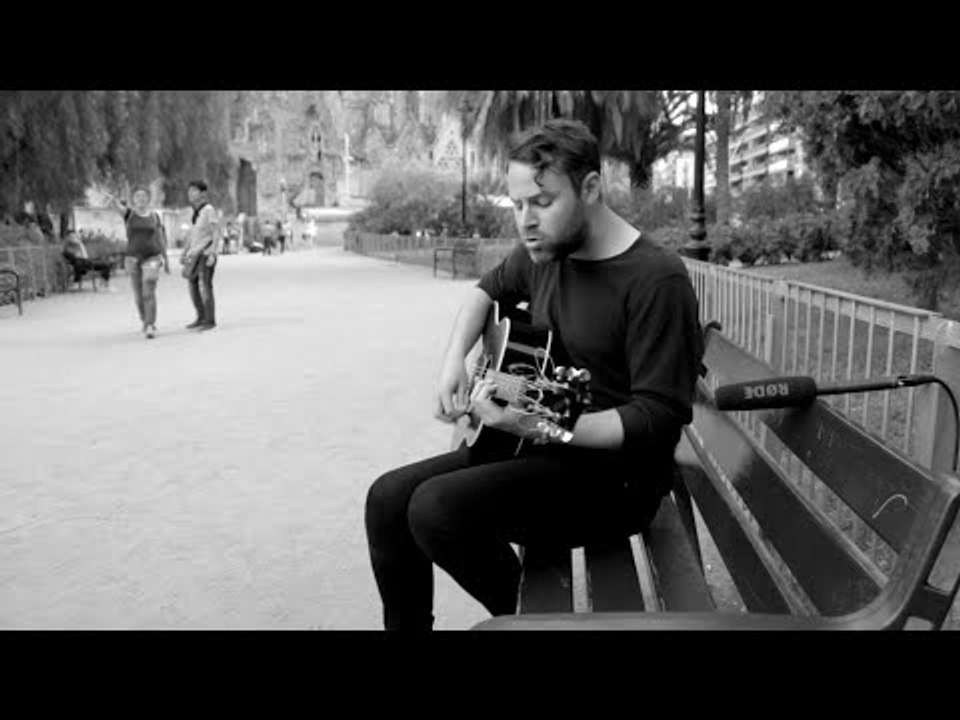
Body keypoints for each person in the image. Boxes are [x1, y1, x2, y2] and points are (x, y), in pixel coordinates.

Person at [364, 119, 705, 631]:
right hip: (543, 448)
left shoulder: (656, 279)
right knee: (387, 499)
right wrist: (454, 359)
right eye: (517, 204)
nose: (525, 221)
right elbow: (484, 292)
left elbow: (659, 416)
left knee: (436, 510)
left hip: (619, 481)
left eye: (541, 203)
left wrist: (545, 425)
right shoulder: (546, 252)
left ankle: (535, 623)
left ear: (591, 188)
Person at [112, 186, 170, 339]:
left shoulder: (155, 217)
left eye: (144, 196)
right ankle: (145, 320)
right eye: (137, 196)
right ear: (133, 199)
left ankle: (150, 324)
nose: (141, 198)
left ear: (149, 199)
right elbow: (116, 206)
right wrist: (114, 200)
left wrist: (166, 259)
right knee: (138, 295)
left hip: (152, 257)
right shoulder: (129, 214)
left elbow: (160, 238)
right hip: (132, 259)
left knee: (148, 288)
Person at [182, 180, 221, 331]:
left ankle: (210, 321)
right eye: (189, 190)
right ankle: (200, 317)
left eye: (194, 190)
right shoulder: (195, 212)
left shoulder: (208, 210)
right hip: (194, 255)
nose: (190, 193)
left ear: (203, 193)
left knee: (205, 286)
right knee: (193, 286)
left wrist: (213, 252)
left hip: (205, 253)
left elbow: (216, 232)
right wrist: (184, 253)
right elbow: (192, 235)